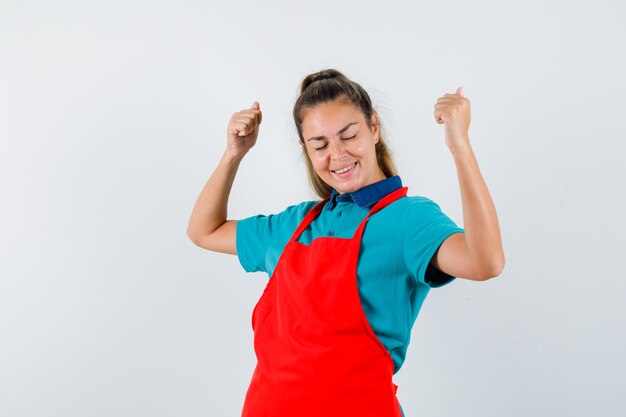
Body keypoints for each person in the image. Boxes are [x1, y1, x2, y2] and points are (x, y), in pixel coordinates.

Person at [187, 69, 505, 417]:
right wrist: (234, 153)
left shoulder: (408, 220)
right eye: (319, 145)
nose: (336, 154)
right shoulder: (294, 224)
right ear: (305, 149)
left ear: (373, 127)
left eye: (348, 135)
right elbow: (205, 230)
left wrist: (459, 143)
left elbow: (484, 261)